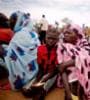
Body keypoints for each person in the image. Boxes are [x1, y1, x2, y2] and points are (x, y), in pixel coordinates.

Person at [4, 11, 40, 90]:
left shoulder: (19, 34)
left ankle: (15, 78)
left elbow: (11, 51)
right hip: (34, 69)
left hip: (23, 65)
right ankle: (27, 78)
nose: (11, 23)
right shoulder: (33, 33)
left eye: (13, 21)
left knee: (7, 54)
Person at [57, 24, 90, 100]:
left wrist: (65, 64)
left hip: (85, 77)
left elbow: (87, 58)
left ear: (77, 34)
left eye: (69, 33)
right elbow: (61, 69)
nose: (65, 34)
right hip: (70, 79)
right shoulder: (62, 47)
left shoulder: (84, 43)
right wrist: (68, 92)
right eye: (64, 33)